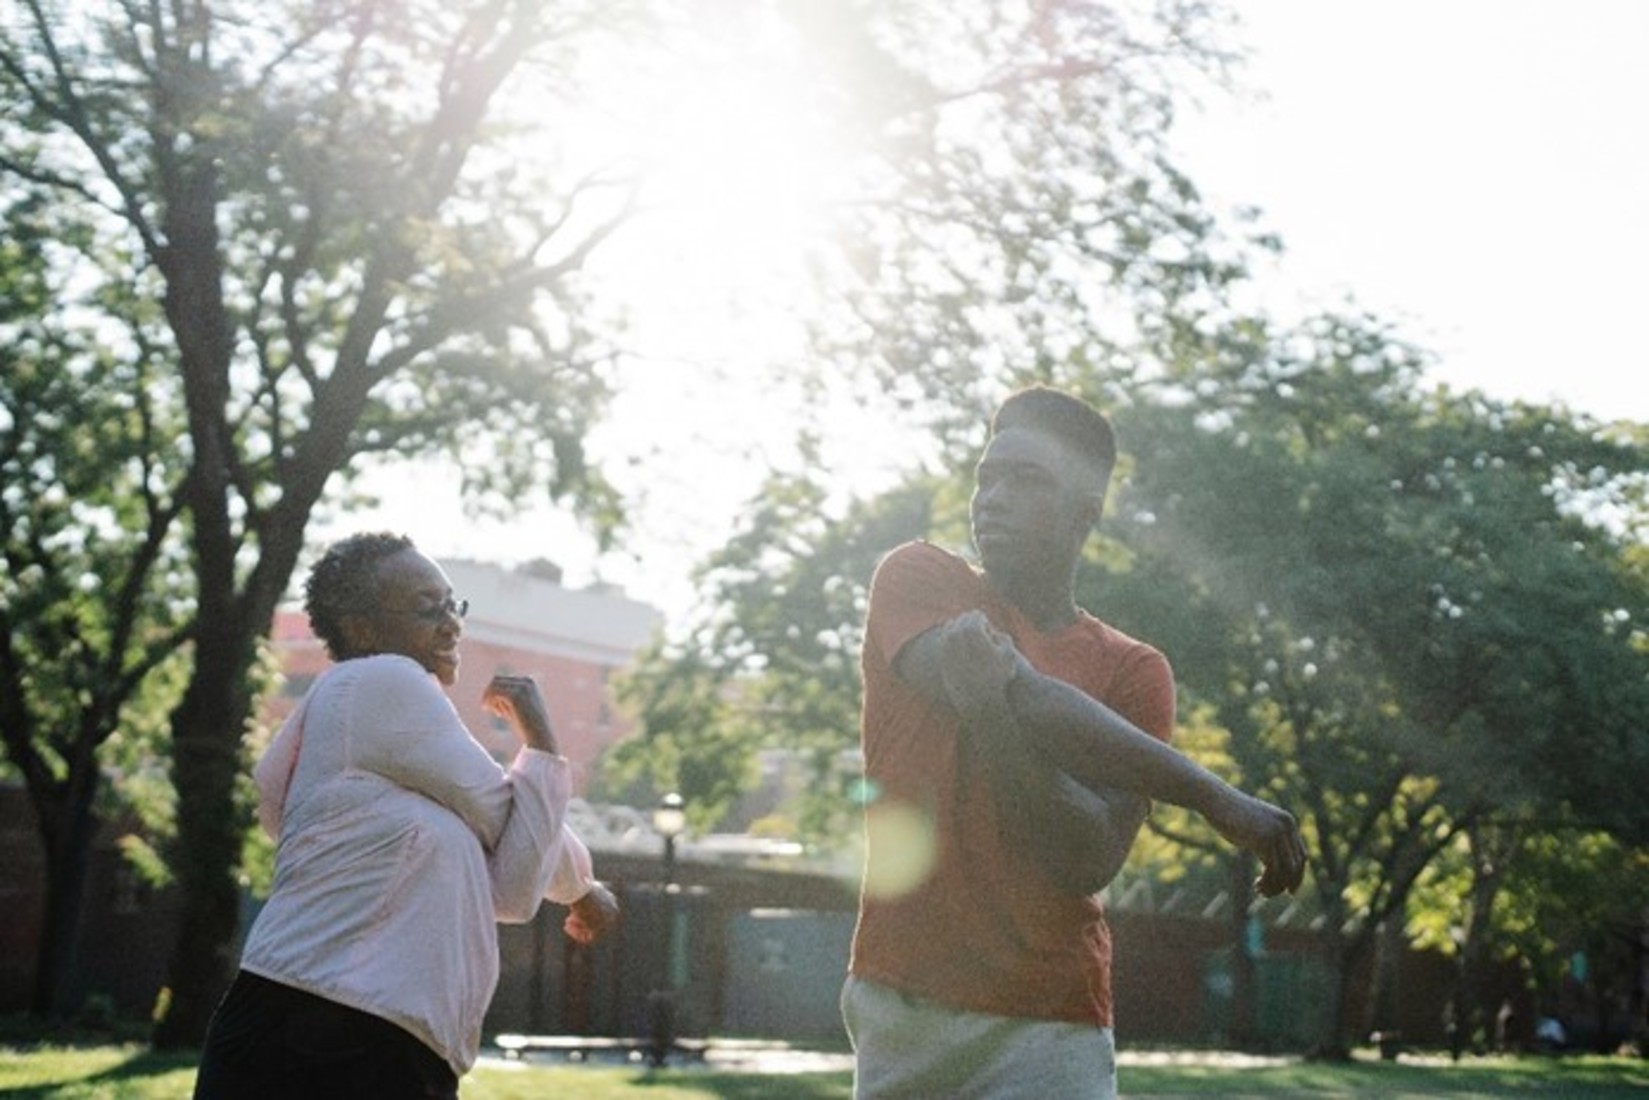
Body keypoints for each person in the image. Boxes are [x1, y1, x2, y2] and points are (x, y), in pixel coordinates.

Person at [842, 386, 1308, 1099]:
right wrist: (1211, 796)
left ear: (1083, 514)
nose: (990, 498)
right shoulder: (918, 578)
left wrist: (991, 720)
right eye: (986, 478)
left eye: (1024, 481)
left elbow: (1085, 856)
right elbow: (1025, 693)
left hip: (1049, 1025)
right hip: (904, 1007)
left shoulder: (1132, 670)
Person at [194, 532, 620, 1099]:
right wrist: (541, 745)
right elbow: (503, 814)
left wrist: (574, 883)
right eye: (427, 608)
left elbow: (514, 878)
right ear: (362, 628)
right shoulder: (381, 681)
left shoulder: (395, 770)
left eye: (451, 604)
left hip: (365, 1038)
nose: (450, 623)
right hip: (332, 1032)